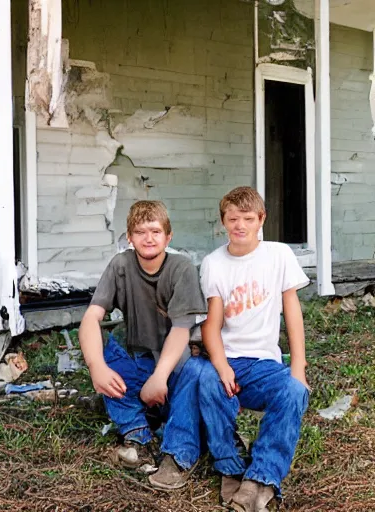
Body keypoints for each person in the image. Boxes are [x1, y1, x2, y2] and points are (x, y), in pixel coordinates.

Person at [194, 186, 310, 511]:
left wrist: (298, 367)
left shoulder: (278, 255)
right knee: (206, 382)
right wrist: (221, 366)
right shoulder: (214, 263)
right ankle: (231, 466)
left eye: (247, 218)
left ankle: (260, 479)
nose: (240, 225)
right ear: (223, 222)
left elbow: (292, 312)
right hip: (227, 359)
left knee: (293, 390)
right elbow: (211, 324)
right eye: (233, 219)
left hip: (264, 364)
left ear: (261, 219)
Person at [78, 200, 207, 472]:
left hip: (177, 364)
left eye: (156, 231)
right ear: (129, 237)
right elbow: (91, 318)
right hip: (141, 358)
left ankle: (170, 426)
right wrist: (96, 367)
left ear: (168, 236)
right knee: (101, 347)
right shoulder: (121, 265)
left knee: (194, 384)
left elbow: (181, 329)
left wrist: (159, 378)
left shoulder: (181, 268)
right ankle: (138, 435)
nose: (148, 238)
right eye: (140, 232)